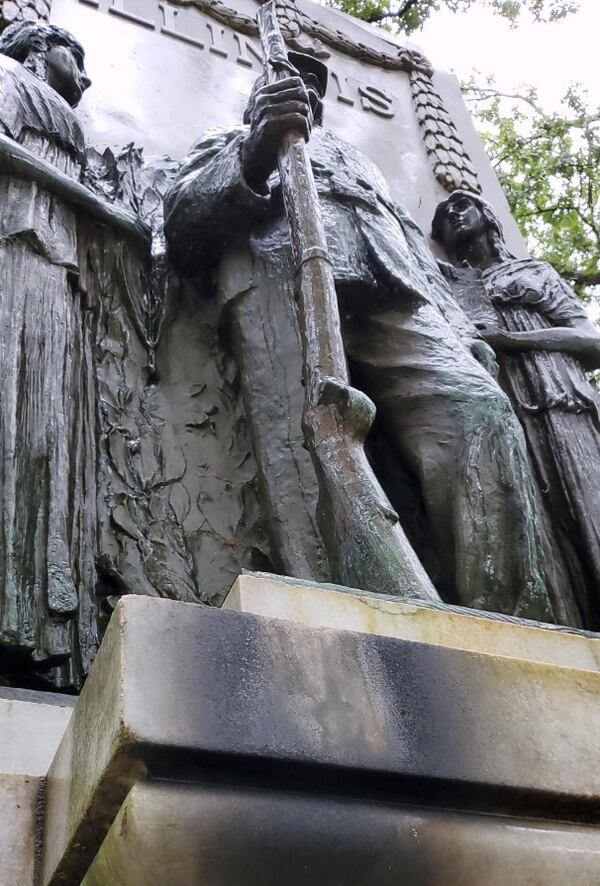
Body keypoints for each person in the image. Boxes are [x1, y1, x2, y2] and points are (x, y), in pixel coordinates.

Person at [164, 56, 553, 622]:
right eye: (294, 88)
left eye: (314, 92)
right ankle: (343, 623)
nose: (308, 98)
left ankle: (516, 624)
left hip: (393, 289)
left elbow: (415, 252)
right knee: (302, 454)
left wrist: (462, 329)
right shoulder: (228, 140)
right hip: (279, 279)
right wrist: (256, 148)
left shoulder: (356, 159)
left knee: (481, 410)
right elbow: (180, 223)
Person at [433, 190, 600, 630]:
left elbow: (590, 342)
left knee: (586, 502)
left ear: (487, 215)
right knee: (530, 523)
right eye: (443, 216)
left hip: (561, 398)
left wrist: (515, 342)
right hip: (498, 403)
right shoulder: (449, 285)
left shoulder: (534, 272)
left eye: (462, 204)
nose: (453, 212)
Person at [0, 19, 98, 686]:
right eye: (74, 55)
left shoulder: (67, 124)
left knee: (47, 438)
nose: (84, 74)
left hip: (54, 265)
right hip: (14, 247)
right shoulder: (6, 79)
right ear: (37, 47)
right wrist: (94, 203)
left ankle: (35, 616)